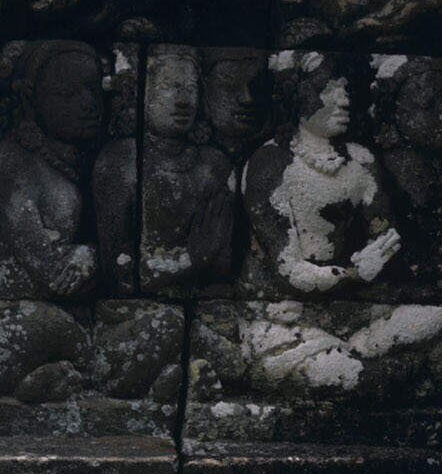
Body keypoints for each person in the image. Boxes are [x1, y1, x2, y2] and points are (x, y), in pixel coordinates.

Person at [0, 41, 102, 300]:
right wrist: (93, 256)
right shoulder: (8, 165)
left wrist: (90, 256)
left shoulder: (69, 162)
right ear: (29, 99)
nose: (89, 104)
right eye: (67, 93)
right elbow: (52, 274)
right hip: (2, 308)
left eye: (94, 90)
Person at [242, 70, 400, 296]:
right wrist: (354, 273)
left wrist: (374, 258)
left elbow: (385, 236)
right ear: (296, 96)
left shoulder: (362, 160)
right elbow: (288, 270)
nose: (344, 101)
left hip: (346, 292)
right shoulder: (270, 163)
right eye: (328, 90)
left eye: (345, 90)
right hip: (280, 300)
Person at [139, 45, 235, 292]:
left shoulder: (215, 164)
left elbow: (223, 266)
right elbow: (122, 276)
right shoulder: (122, 161)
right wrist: (194, 259)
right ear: (141, 91)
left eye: (191, 89)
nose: (183, 101)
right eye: (168, 86)